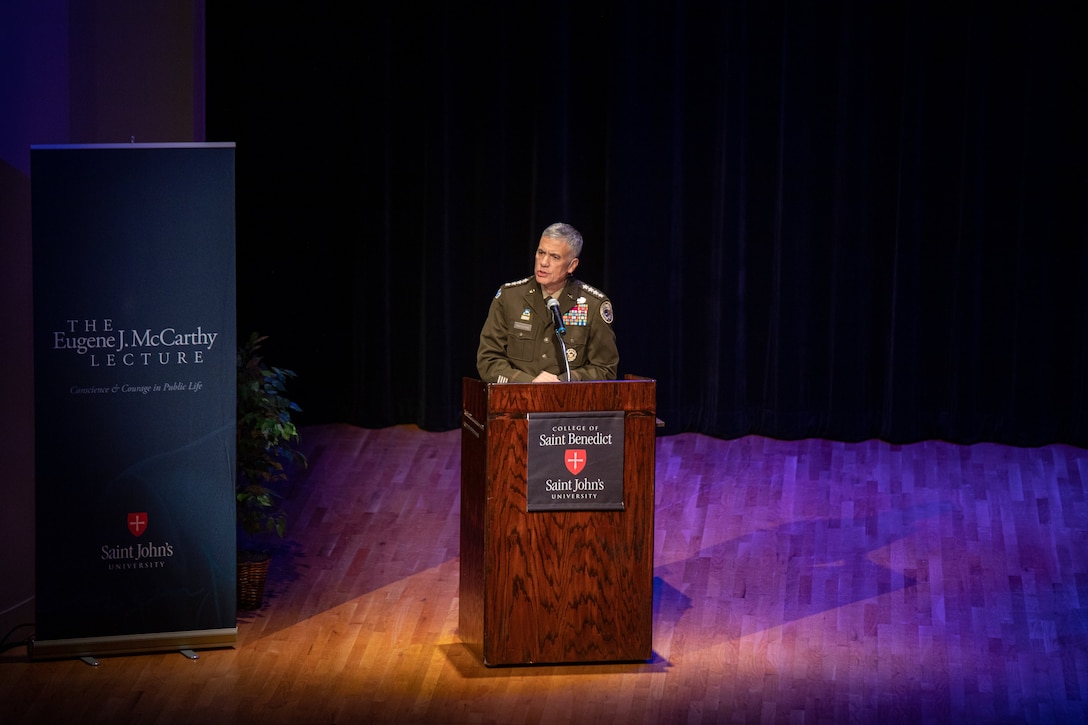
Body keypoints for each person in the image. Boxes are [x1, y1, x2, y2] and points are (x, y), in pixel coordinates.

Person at [477, 222, 618, 383]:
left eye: (555, 257)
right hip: (515, 402)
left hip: (568, 404)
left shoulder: (593, 305)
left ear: (572, 265)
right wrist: (528, 383)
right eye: (541, 252)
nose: (544, 262)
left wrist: (563, 382)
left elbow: (605, 369)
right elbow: (488, 360)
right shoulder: (509, 297)